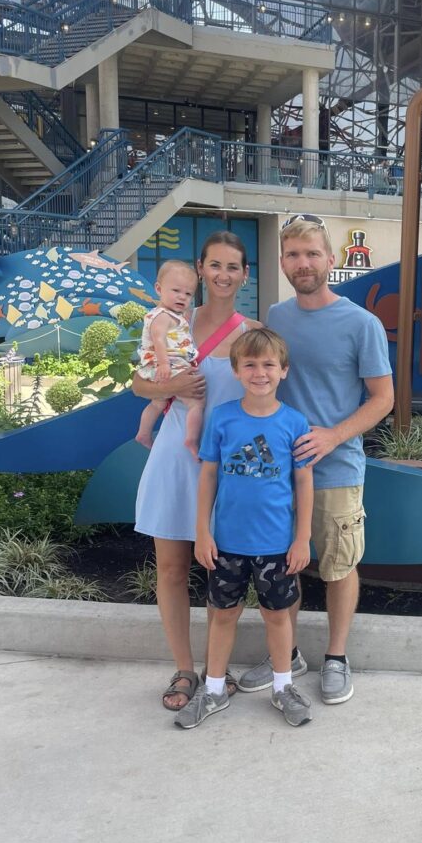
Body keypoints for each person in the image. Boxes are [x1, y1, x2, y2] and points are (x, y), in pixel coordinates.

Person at [238, 215, 394, 705]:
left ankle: (336, 657)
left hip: (335, 471)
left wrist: (333, 436)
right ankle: (289, 655)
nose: (302, 264)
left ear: (331, 259)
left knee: (337, 567)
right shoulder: (276, 317)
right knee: (282, 568)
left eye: (311, 254)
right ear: (282, 261)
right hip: (275, 474)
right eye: (292, 255)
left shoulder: (361, 324)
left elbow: (383, 398)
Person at [133, 231, 261, 711]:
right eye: (215, 265)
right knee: (170, 568)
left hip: (229, 466)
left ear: (244, 274)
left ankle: (216, 668)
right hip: (173, 453)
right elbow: (138, 383)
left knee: (224, 571)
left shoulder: (253, 330)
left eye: (233, 267)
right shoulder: (171, 320)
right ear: (201, 270)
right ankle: (185, 668)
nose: (223, 275)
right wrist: (170, 382)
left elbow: (266, 394)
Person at [175, 327, 314, 730]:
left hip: (276, 546)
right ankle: (214, 690)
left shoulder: (294, 422)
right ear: (236, 370)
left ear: (284, 371)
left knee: (277, 617)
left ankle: (283, 686)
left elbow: (304, 482)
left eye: (269, 364)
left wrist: (302, 537)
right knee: (222, 615)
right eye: (250, 364)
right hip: (226, 545)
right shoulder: (222, 418)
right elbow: (208, 476)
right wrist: (202, 531)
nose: (260, 372)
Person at [134, 260, 203, 456]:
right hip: (169, 365)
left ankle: (143, 433)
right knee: (195, 403)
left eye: (188, 294)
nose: (182, 297)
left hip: (163, 365)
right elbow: (158, 338)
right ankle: (191, 439)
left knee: (158, 403)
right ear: (158, 288)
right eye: (176, 291)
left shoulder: (173, 315)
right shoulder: (163, 315)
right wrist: (164, 363)